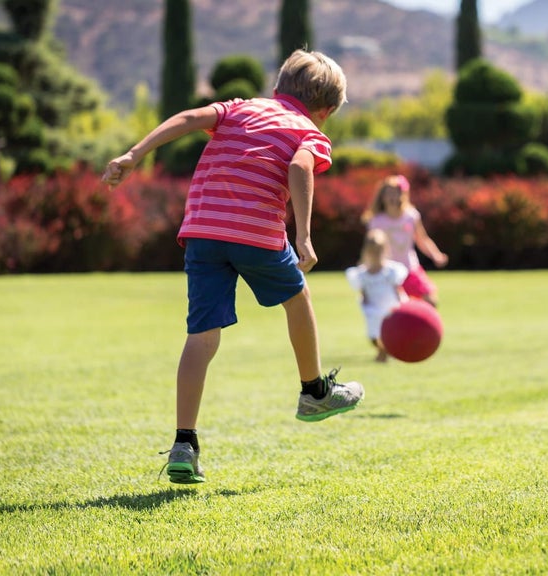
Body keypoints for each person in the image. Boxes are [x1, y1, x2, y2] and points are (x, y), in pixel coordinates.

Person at [101, 49, 364, 484]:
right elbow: (300, 167)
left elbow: (188, 118)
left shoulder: (242, 107)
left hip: (202, 230)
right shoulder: (308, 130)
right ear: (327, 110)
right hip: (255, 232)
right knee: (298, 297)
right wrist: (302, 236)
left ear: (278, 87)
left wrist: (134, 154)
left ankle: (184, 442)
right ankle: (314, 392)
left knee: (201, 338)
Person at [362, 175, 448, 307]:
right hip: (387, 273)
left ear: (402, 195)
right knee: (393, 308)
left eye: (395, 193)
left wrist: (435, 254)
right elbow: (371, 248)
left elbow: (422, 239)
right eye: (388, 193)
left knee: (430, 301)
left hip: (409, 268)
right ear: (382, 197)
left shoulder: (411, 216)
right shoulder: (377, 221)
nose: (392, 197)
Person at [346, 229, 409, 362]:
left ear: (385, 250)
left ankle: (385, 352)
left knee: (391, 332)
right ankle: (383, 350)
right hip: (373, 308)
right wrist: (365, 303)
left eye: (378, 251)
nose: (375, 255)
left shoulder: (391, 271)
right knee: (373, 335)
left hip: (391, 307)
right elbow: (363, 291)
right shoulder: (361, 275)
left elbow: (397, 289)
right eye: (372, 252)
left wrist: (402, 305)